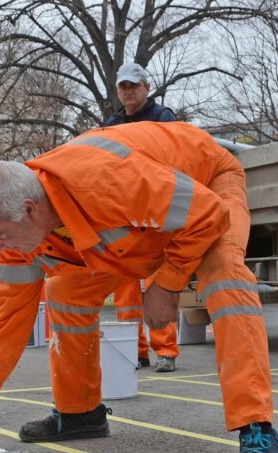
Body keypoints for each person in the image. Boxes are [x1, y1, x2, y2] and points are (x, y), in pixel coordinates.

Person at [0, 121, 278, 453]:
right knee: (67, 292)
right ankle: (80, 414)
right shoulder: (18, 239)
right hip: (145, 230)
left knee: (225, 277)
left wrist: (168, 284)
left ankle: (257, 429)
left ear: (30, 210)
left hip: (206, 186)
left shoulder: (107, 182)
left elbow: (207, 214)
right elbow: (5, 325)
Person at [105, 62, 180, 373]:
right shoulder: (112, 124)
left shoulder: (164, 118)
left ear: (147, 87)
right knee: (125, 283)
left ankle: (165, 350)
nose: (128, 91)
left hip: (156, 208)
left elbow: (177, 158)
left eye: (134, 85)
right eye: (123, 86)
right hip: (125, 210)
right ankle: (134, 350)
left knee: (156, 280)